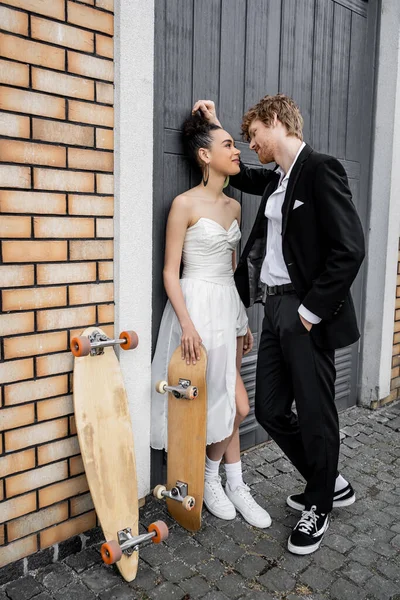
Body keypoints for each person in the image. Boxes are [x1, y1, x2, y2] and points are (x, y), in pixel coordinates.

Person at [193, 94, 365, 555]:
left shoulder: (321, 169)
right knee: (269, 409)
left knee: (315, 411)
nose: (249, 145)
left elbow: (350, 248)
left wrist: (311, 311)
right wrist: (214, 124)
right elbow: (239, 171)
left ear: (276, 123)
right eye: (243, 140)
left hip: (306, 313)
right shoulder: (277, 181)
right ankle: (329, 481)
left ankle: (320, 504)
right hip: (273, 311)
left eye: (252, 136)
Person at [151, 112, 271, 528]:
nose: (236, 150)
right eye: (227, 145)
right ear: (205, 155)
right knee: (226, 403)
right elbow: (170, 272)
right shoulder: (184, 204)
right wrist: (186, 324)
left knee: (231, 402)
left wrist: (243, 321)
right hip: (195, 308)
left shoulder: (235, 205)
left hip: (228, 308)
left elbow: (234, 267)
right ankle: (209, 476)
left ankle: (231, 482)